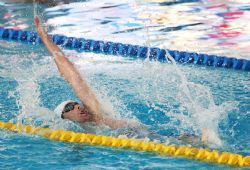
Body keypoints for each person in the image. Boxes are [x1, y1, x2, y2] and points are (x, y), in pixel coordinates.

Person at [34, 16, 208, 145]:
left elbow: (72, 76)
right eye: (69, 107)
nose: (77, 106)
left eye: (75, 103)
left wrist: (44, 37)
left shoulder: (94, 111)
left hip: (140, 133)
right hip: (139, 138)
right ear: (64, 118)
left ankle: (200, 140)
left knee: (177, 141)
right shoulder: (78, 132)